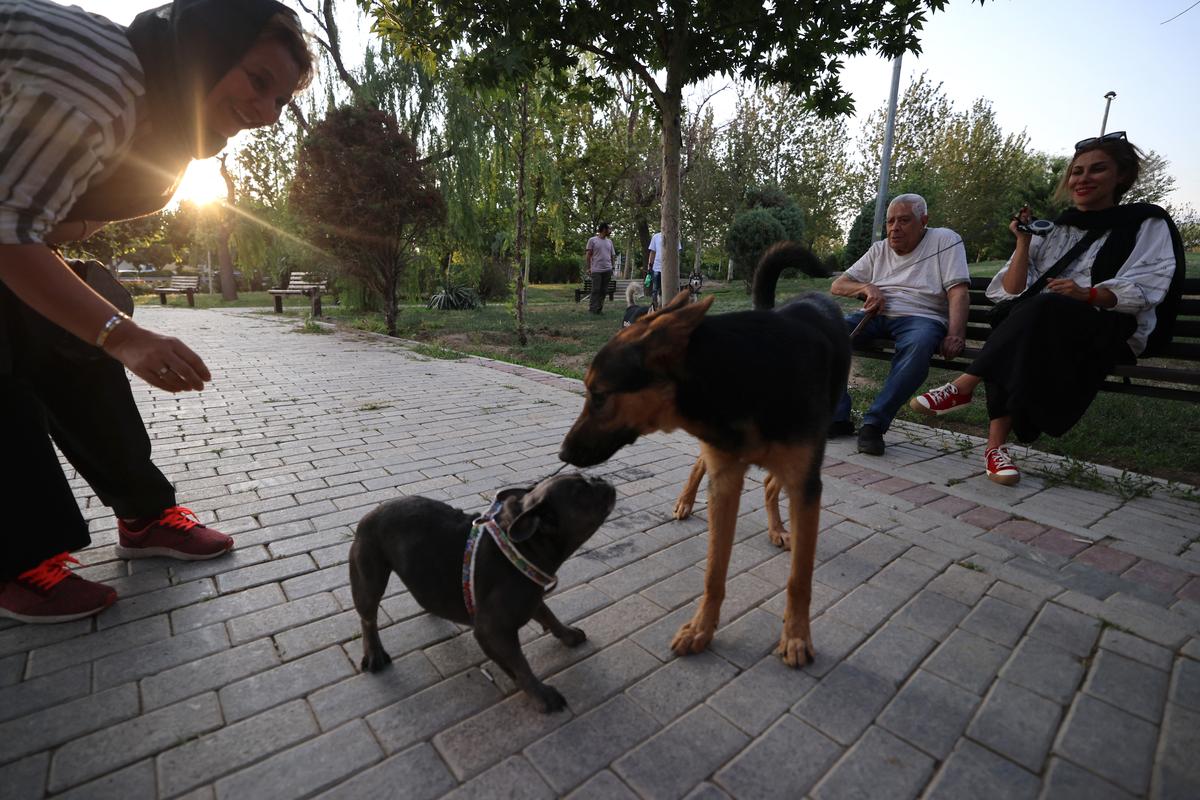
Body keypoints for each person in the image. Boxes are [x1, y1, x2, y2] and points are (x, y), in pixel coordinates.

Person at [0, 0, 314, 623]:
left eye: (279, 101)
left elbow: (37, 222)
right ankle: (16, 556)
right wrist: (125, 336)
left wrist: (99, 322)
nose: (265, 113)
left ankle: (144, 516)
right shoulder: (96, 83)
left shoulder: (149, 112)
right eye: (258, 80)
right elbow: (7, 235)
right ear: (206, 45)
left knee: (68, 334)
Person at [910, 133, 1185, 485]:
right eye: (1076, 171)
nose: (1082, 179)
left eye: (1097, 169)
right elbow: (1009, 291)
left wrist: (1086, 295)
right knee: (1016, 317)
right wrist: (1024, 242)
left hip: (1108, 327)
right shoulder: (1056, 228)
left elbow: (1149, 284)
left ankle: (966, 385)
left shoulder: (1146, 223)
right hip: (1041, 323)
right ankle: (995, 449)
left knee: (1039, 312)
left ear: (1122, 176)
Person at [829, 194, 969, 455]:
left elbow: (958, 291)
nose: (895, 228)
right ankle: (837, 417)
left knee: (918, 346)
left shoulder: (945, 240)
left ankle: (874, 424)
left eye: (904, 220)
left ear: (923, 221)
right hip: (876, 314)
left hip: (922, 317)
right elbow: (838, 285)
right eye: (890, 221)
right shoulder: (879, 249)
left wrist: (955, 334)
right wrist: (867, 287)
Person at [645, 230, 681, 308]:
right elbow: (652, 252)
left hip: (670, 269)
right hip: (657, 268)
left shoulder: (675, 237)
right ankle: (654, 307)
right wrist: (649, 266)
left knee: (669, 289)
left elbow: (677, 254)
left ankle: (668, 307)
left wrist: (676, 267)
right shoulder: (656, 237)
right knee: (655, 289)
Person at [585, 222, 616, 314]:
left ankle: (599, 309)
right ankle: (592, 309)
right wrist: (588, 268)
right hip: (596, 270)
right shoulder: (592, 240)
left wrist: (612, 267)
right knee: (595, 290)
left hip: (607, 270)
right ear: (604, 229)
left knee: (603, 291)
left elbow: (612, 255)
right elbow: (588, 255)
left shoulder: (609, 241)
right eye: (609, 229)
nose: (610, 231)